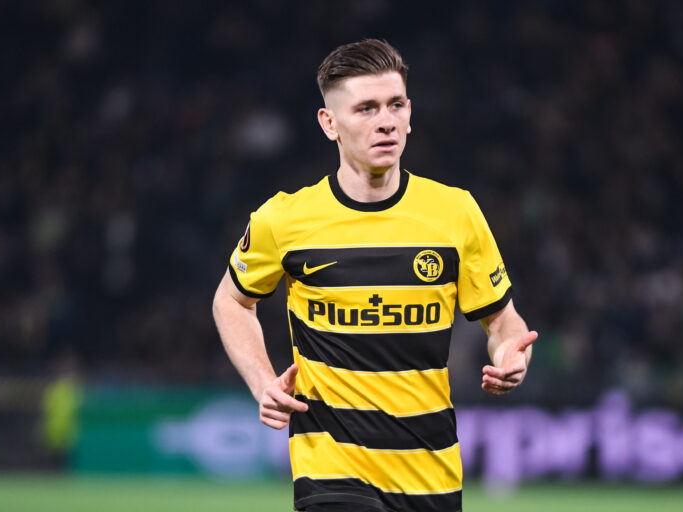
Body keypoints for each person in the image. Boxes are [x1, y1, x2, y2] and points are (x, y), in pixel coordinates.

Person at [212, 39, 536, 512]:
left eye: (395, 105)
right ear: (329, 124)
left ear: (409, 113)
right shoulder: (282, 220)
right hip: (331, 470)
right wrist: (262, 380)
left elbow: (503, 321)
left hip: (431, 474)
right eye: (365, 108)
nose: (386, 121)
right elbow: (231, 300)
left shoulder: (455, 213)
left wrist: (508, 350)